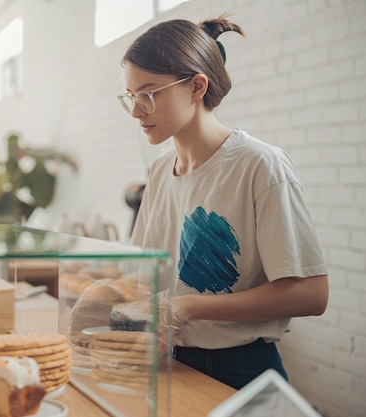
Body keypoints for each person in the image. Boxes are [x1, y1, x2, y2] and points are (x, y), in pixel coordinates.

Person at [120, 15, 329, 389]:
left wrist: (186, 307)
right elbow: (143, 277)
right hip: (169, 361)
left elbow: (311, 293)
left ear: (197, 86)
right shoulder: (159, 173)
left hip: (239, 369)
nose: (137, 111)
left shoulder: (259, 165)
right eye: (132, 97)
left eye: (149, 94)